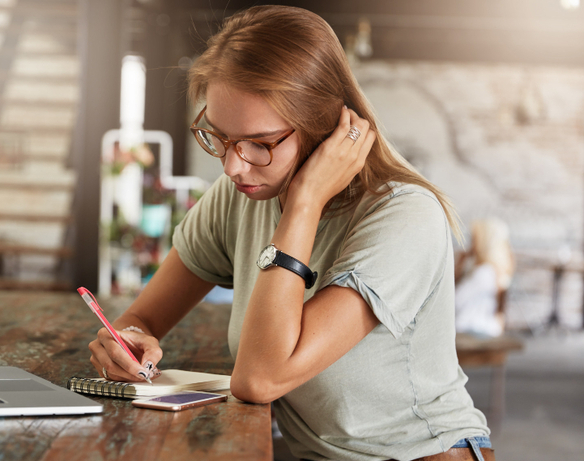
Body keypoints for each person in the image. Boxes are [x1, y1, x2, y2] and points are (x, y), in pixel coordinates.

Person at [88, 6, 493, 461]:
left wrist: (304, 204)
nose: (232, 165)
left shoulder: (404, 217)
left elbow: (260, 379)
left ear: (323, 125)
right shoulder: (239, 194)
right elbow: (141, 319)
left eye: (260, 143)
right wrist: (125, 342)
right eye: (219, 136)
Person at [455, 219, 515, 337]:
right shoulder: (494, 271)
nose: (470, 244)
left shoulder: (483, 272)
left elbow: (454, 302)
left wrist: (458, 267)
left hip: (472, 330)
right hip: (487, 329)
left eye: (473, 239)